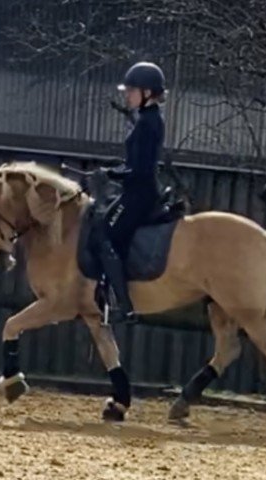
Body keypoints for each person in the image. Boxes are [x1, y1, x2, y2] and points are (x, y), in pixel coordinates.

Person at [98, 61, 166, 324]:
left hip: (140, 194)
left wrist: (112, 174)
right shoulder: (145, 119)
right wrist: (112, 170)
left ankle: (124, 306)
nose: (127, 94)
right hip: (135, 191)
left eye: (131, 90)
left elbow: (141, 170)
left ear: (147, 92)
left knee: (106, 231)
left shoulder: (149, 123)